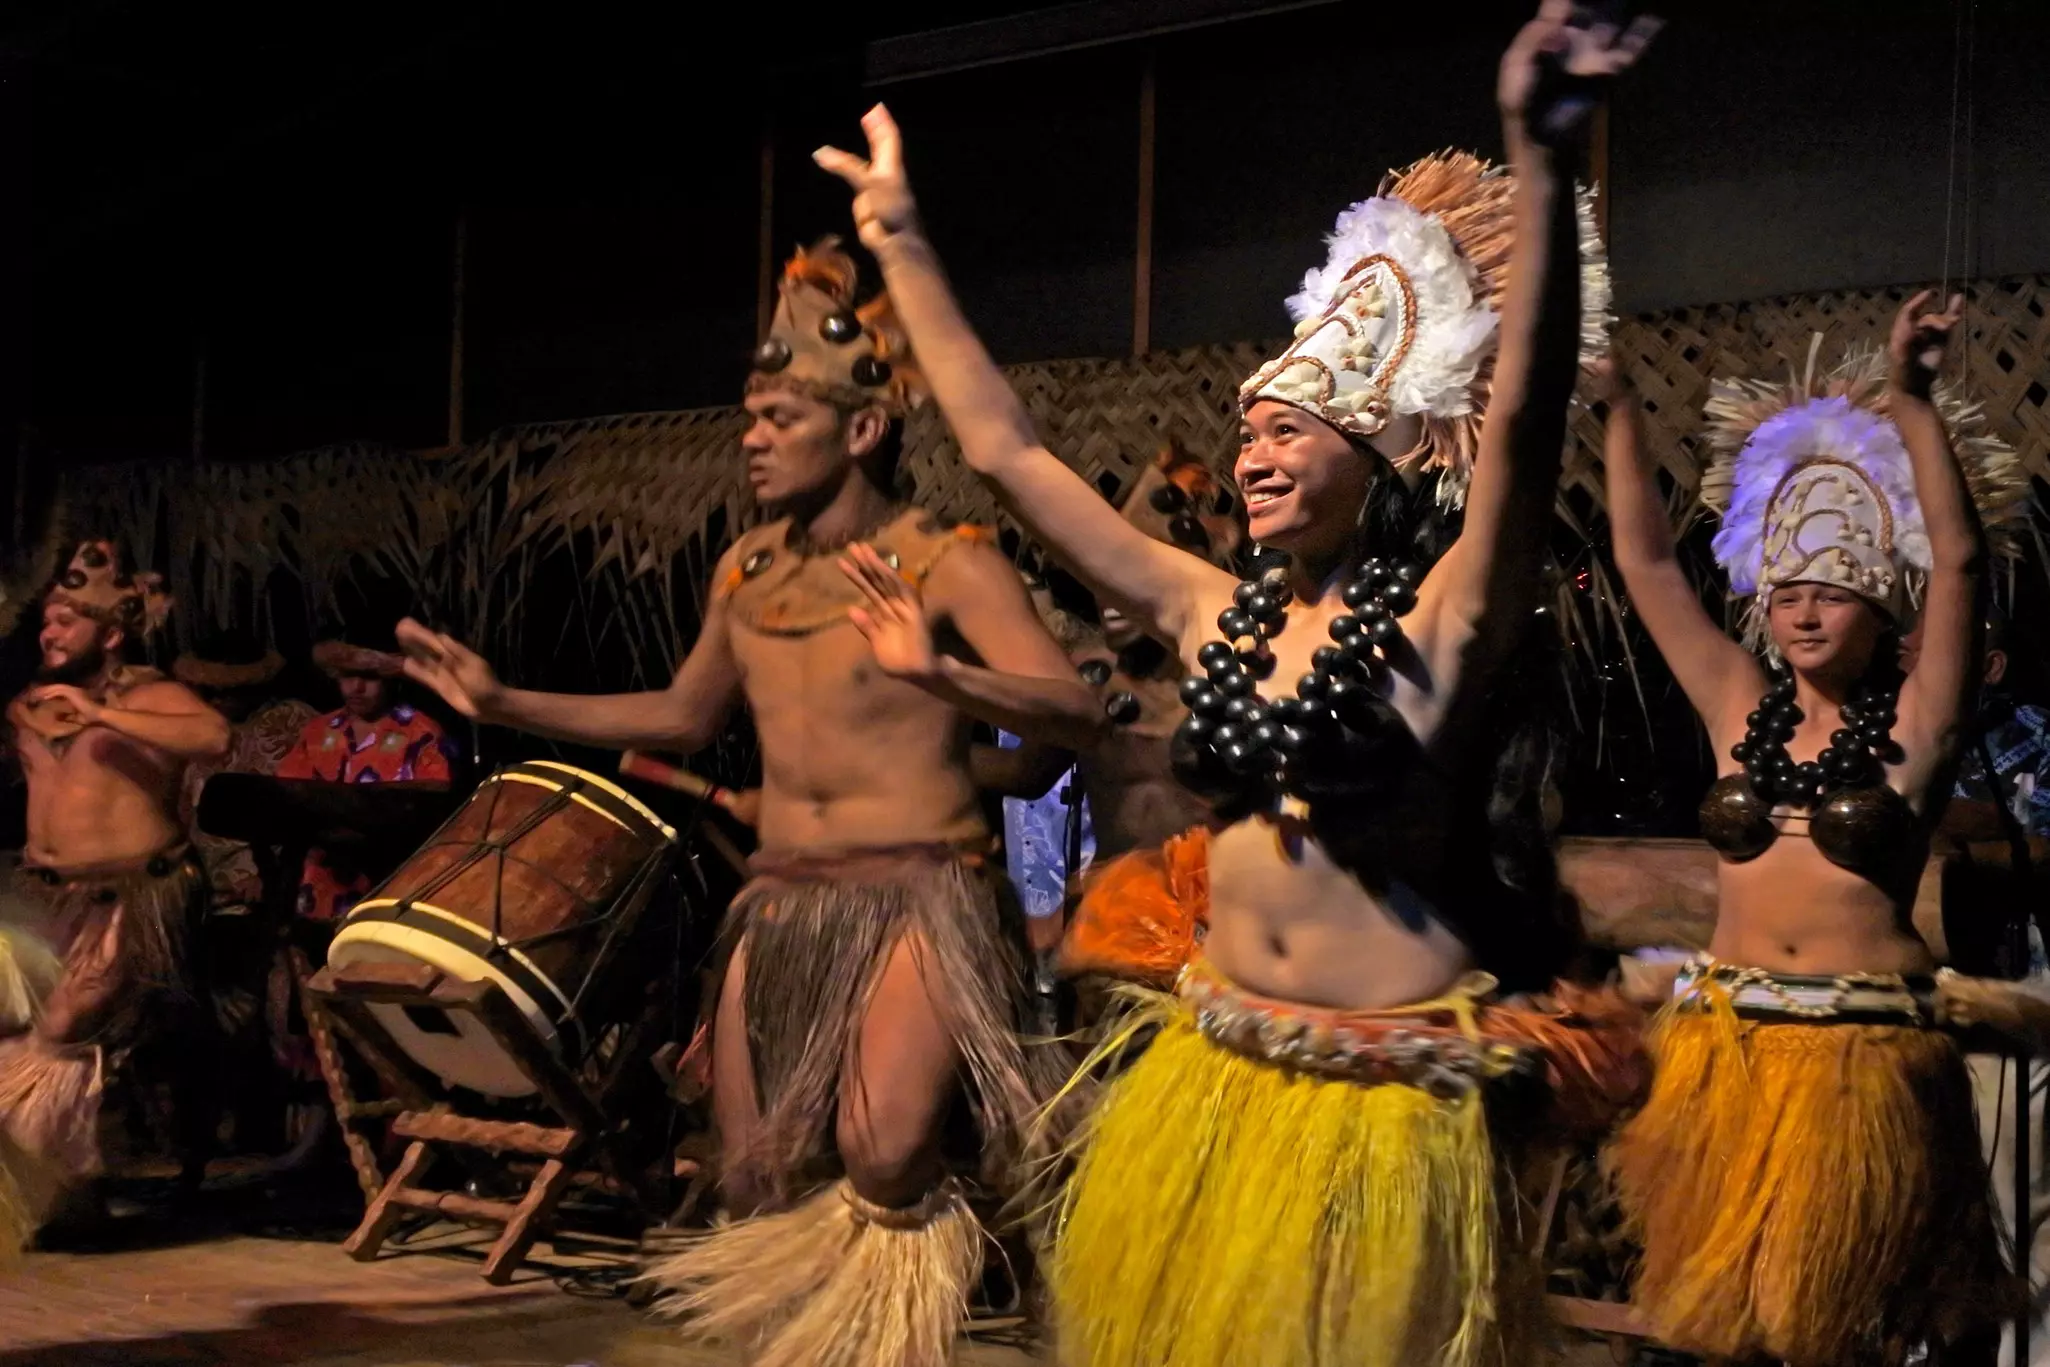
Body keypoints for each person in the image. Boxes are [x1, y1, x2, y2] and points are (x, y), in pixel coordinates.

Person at [814, 7, 1654, 1364]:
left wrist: (1540, 159)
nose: (1250, 455)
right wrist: (901, 241)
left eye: (1287, 431)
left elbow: (1521, 413)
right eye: (1245, 430)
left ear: (1373, 459)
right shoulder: (1211, 610)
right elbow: (1010, 454)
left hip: (1376, 1111)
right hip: (1214, 1072)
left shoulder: (1444, 622)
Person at [397, 240, 1101, 1367]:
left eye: (779, 416)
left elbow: (1075, 713)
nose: (752, 437)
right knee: (755, 1173)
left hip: (917, 891)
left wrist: (944, 677)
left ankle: (912, 1307)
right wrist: (501, 695)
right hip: (778, 901)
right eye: (751, 415)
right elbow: (681, 716)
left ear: (862, 429)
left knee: (881, 1152)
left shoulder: (946, 561)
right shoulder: (745, 570)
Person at [1601, 297, 2032, 1364]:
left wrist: (1912, 403)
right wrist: (1614, 411)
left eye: (1831, 593)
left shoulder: (1917, 729)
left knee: (1839, 1330)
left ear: (1880, 605)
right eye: (1785, 590)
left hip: (1863, 1060)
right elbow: (1648, 568)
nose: (1802, 612)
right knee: (1725, 1328)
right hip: (1729, 1046)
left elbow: (1963, 564)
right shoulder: (1739, 708)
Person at [0, 539, 230, 1216]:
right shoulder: (27, 704)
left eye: (66, 621)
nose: (49, 631)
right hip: (43, 893)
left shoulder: (149, 693)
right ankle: (68, 1193)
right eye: (46, 620)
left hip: (135, 893)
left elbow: (215, 737)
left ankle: (39, 1192)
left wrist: (99, 712)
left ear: (111, 632)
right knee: (17, 1025)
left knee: (62, 1028)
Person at [275, 630, 456, 924]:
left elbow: (437, 807)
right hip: (318, 885)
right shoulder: (318, 731)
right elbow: (285, 795)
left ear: (390, 679)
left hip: (394, 883)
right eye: (348, 675)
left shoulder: (422, 733)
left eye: (370, 677)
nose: (356, 687)